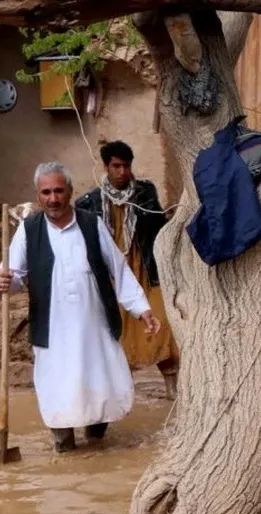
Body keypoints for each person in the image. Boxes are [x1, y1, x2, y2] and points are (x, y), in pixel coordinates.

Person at [0, 162, 161, 453]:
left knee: (98, 383)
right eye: (46, 192)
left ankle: (97, 441)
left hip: (93, 325)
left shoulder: (91, 223)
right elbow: (13, 277)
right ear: (38, 196)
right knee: (57, 386)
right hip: (52, 327)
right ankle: (64, 445)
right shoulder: (28, 231)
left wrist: (141, 308)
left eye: (59, 191)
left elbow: (118, 269)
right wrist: (4, 281)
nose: (53, 198)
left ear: (70, 192)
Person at [75, 141, 180, 400]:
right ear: (106, 167)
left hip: (144, 270)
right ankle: (121, 393)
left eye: (126, 166)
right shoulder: (88, 202)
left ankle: (171, 387)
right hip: (109, 277)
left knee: (161, 325)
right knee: (114, 332)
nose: (122, 171)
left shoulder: (145, 194)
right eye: (116, 166)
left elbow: (157, 228)